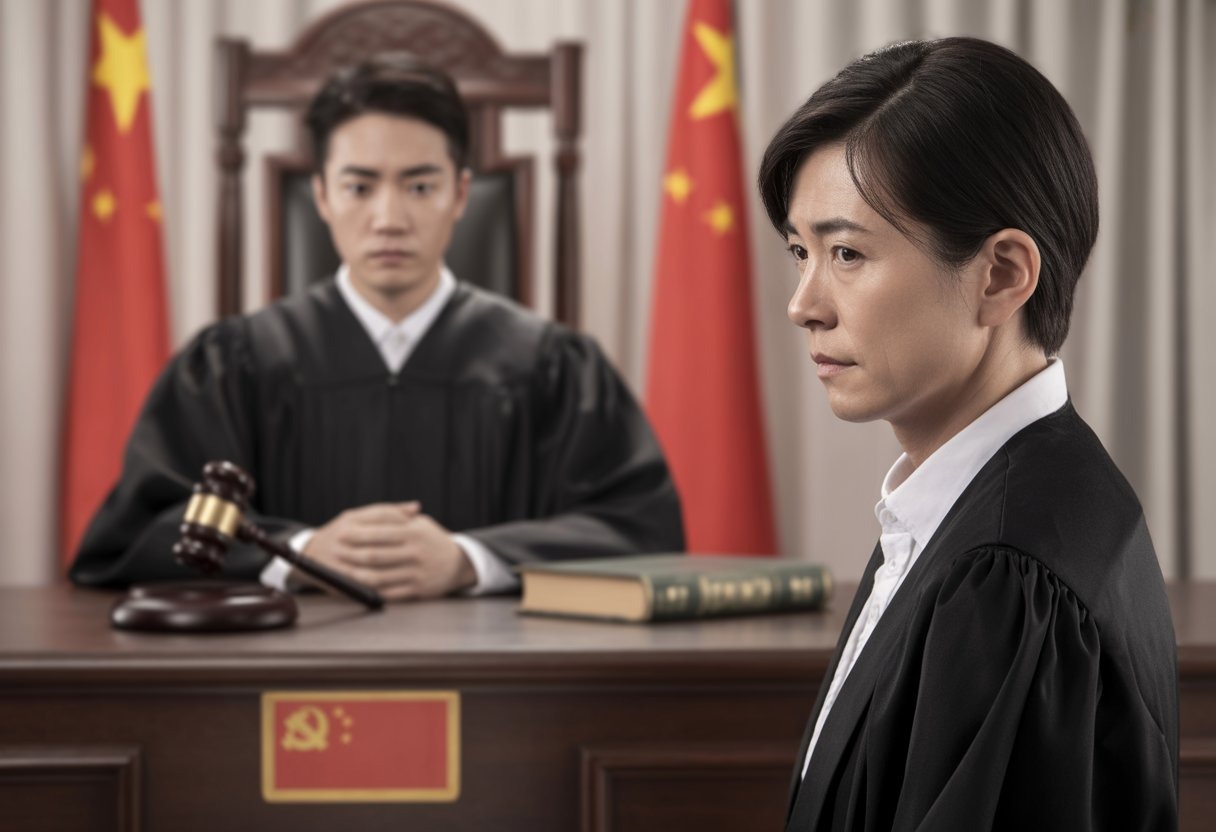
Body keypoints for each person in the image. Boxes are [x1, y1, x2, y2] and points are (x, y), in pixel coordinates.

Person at [70, 56, 684, 601]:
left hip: (500, 681)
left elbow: (641, 526)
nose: (389, 218)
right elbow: (142, 530)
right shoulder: (236, 363)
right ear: (322, 196)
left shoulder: (551, 366)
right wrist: (299, 552)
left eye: (419, 186)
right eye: (359, 186)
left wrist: (469, 561)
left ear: (460, 194)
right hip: (284, 676)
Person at [758, 37, 1177, 830]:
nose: (803, 304)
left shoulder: (1006, 580)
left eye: (846, 252)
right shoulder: (985, 506)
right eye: (799, 251)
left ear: (1002, 275)